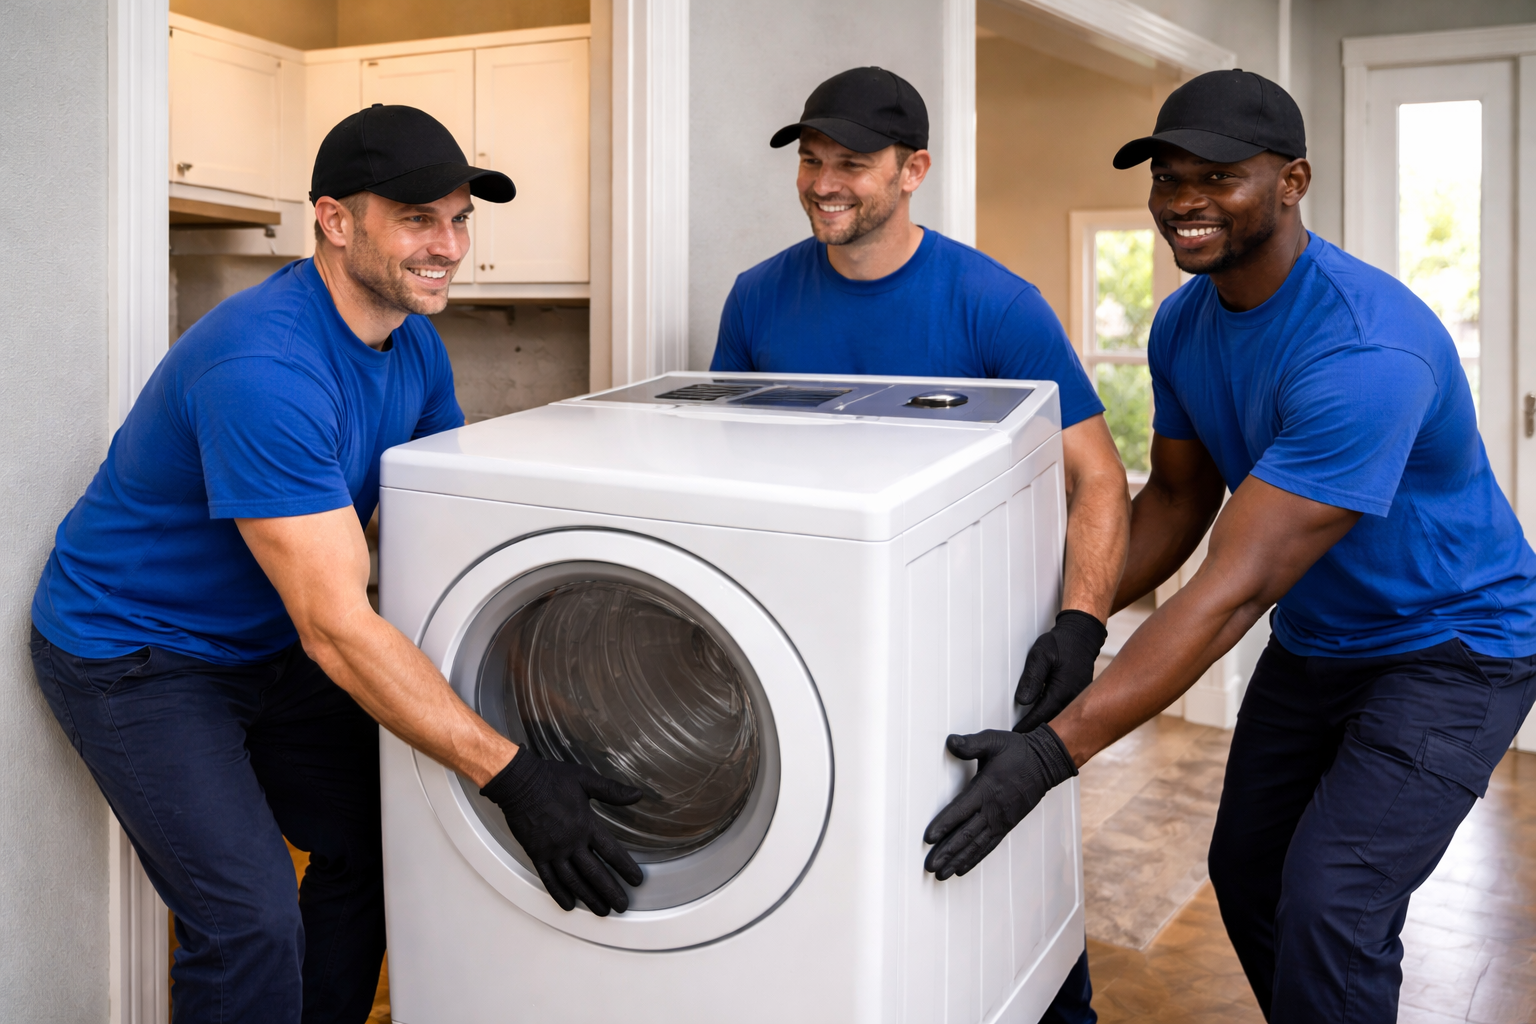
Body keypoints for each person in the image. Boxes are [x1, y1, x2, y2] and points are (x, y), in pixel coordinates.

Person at [922, 69, 1536, 1023]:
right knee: (1247, 870)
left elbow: (1234, 590)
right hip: (1324, 638)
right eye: (1168, 177)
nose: (1183, 203)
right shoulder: (1183, 321)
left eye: (1217, 177)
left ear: (1291, 181)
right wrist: (1075, 621)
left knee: (1334, 904)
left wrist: (1049, 755)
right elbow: (1175, 499)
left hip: (1453, 648)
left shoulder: (1366, 352)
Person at [29, 105, 644, 1024]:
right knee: (248, 924)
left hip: (271, 642)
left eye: (460, 217)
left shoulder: (413, 342)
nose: (449, 245)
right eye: (416, 218)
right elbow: (336, 624)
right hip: (138, 655)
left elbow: (445, 530)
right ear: (334, 219)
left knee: (384, 839)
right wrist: (512, 776)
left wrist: (540, 704)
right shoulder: (265, 367)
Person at [710, 66, 1130, 1024]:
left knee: (1003, 871)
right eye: (811, 160)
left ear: (913, 171)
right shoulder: (756, 299)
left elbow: (1097, 476)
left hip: (967, 645)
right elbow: (726, 467)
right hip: (807, 639)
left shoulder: (997, 305)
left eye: (851, 163)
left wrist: (1081, 626)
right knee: (834, 867)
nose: (823, 182)